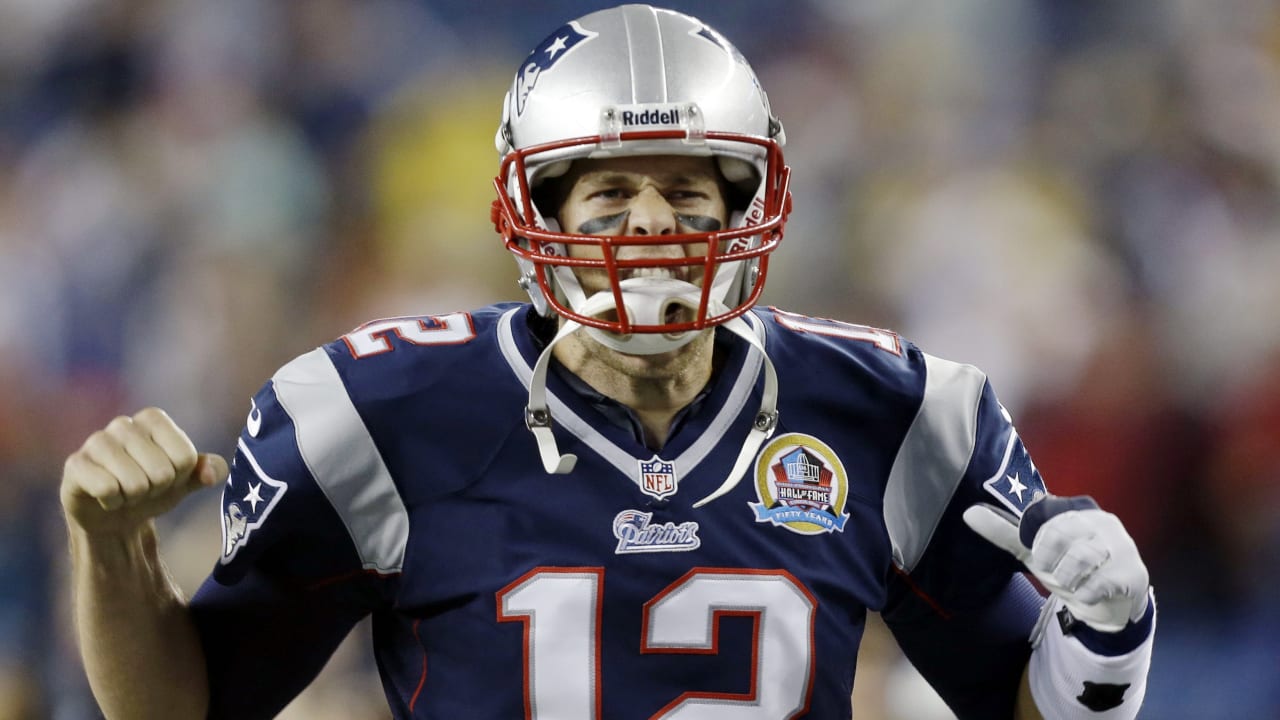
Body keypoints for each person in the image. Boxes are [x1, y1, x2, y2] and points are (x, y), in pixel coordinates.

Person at [60, 5, 1155, 719]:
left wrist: (1103, 642)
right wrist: (110, 549)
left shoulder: (893, 412)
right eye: (609, 194)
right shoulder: (379, 412)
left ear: (749, 209)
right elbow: (184, 707)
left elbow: (1027, 704)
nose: (648, 230)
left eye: (685, 193)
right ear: (531, 210)